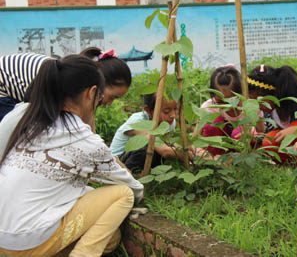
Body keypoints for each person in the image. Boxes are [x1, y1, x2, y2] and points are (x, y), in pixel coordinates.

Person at [0, 55, 143, 256]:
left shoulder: (29, 120)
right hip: (25, 243)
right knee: (123, 195)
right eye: (103, 97)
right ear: (92, 93)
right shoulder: (83, 139)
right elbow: (130, 186)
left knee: (111, 240)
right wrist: (140, 192)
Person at [0, 47, 131, 121]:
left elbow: (87, 124)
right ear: (99, 85)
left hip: (23, 90)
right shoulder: (67, 83)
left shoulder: (82, 83)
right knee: (20, 136)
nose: (110, 103)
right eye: (113, 97)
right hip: (3, 89)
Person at [247, 64, 297, 165]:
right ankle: (291, 164)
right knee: (269, 140)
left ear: (275, 94)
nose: (257, 105)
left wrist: (296, 130)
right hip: (293, 151)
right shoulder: (269, 112)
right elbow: (270, 137)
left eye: (259, 100)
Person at [116, 94, 186, 172]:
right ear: (148, 110)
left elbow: (169, 143)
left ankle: (149, 175)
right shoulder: (137, 120)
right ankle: (132, 175)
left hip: (144, 158)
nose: (173, 115)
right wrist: (187, 155)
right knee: (147, 147)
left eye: (176, 109)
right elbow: (165, 151)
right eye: (166, 111)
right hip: (118, 163)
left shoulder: (169, 121)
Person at [198, 65, 244, 157]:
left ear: (241, 94)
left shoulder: (248, 108)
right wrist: (202, 153)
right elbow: (195, 140)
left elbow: (260, 135)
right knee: (213, 122)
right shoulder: (209, 107)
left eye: (231, 101)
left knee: (240, 130)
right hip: (215, 153)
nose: (225, 106)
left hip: (241, 153)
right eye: (220, 102)